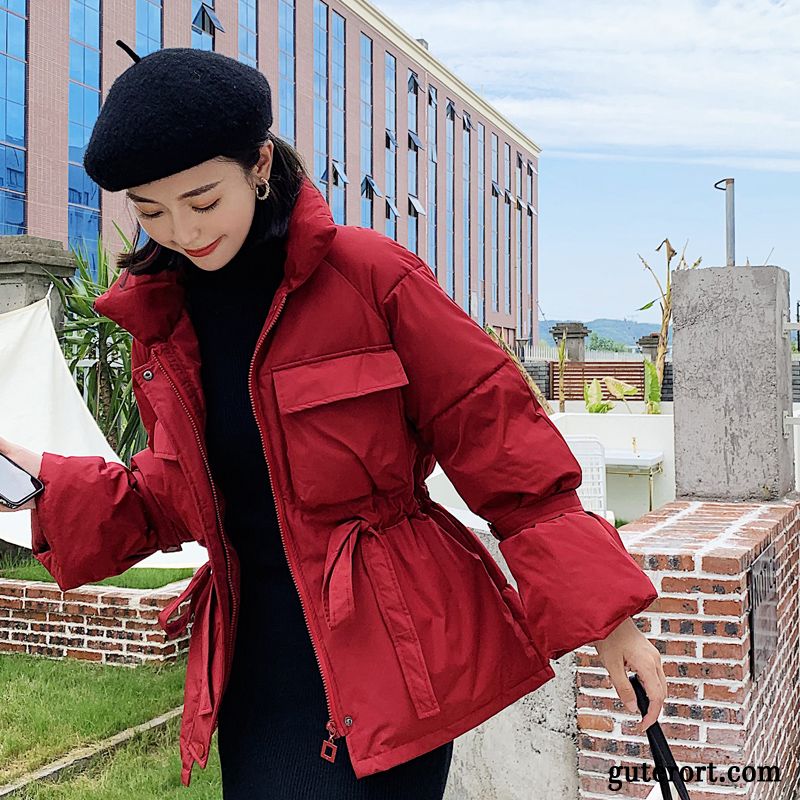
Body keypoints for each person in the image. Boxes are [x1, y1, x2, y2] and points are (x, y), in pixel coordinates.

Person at [0, 43, 667, 798]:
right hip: (254, 664)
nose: (182, 231)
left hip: (385, 655)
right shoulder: (165, 317)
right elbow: (177, 493)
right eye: (152, 212)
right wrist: (37, 484)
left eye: (202, 200)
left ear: (257, 164)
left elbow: (501, 443)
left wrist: (613, 622)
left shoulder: (370, 275)